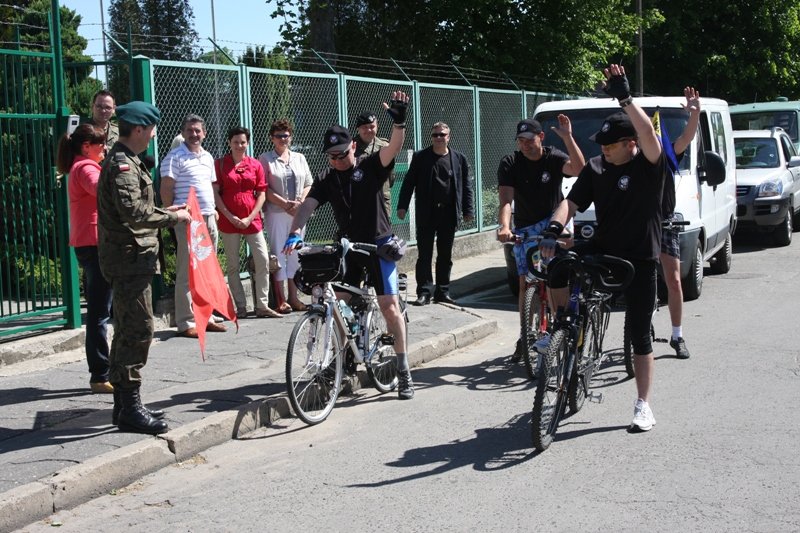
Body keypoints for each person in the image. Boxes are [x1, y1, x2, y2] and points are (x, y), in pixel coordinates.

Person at [541, 64, 665, 432]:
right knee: (558, 267)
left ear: (631, 145)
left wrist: (625, 98)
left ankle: (643, 405)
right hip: (605, 250)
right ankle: (563, 327)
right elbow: (571, 203)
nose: (605, 151)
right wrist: (553, 228)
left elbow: (647, 132)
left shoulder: (648, 166)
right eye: (603, 146)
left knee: (639, 333)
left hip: (641, 258)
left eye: (611, 145)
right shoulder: (595, 168)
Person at [283, 90, 415, 400]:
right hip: (348, 249)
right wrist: (294, 232)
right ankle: (340, 364)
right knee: (337, 304)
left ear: (353, 146)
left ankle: (404, 368)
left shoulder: (370, 166)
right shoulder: (328, 178)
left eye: (343, 154)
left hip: (379, 246)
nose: (339, 160)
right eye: (333, 156)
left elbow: (393, 148)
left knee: (389, 306)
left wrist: (399, 123)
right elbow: (307, 206)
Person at [96, 101, 191, 434]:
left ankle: (125, 406)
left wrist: (167, 208)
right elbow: (134, 213)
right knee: (138, 330)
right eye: (150, 129)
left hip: (131, 258)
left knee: (127, 329)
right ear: (138, 129)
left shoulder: (129, 161)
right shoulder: (122, 164)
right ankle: (130, 407)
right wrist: (173, 216)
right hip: (128, 260)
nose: (152, 134)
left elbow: (139, 207)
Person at [496, 116, 585, 356]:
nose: (525, 144)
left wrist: (567, 137)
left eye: (529, 139)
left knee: (556, 276)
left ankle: (561, 329)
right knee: (526, 283)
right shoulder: (510, 163)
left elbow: (578, 169)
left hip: (553, 224)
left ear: (541, 138)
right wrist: (505, 227)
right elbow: (506, 201)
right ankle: (526, 335)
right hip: (525, 227)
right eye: (521, 140)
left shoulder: (553, 156)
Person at [57, 124, 113, 394]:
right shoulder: (86, 168)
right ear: (85, 146)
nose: (104, 148)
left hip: (90, 241)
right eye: (99, 144)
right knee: (100, 312)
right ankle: (100, 374)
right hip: (94, 242)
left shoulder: (79, 165)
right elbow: (102, 188)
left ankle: (103, 370)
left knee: (101, 309)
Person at [160, 114, 227, 338]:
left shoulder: (208, 157)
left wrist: (214, 211)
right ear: (183, 133)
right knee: (187, 270)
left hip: (208, 217)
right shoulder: (174, 157)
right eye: (190, 130)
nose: (194, 134)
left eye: (198, 130)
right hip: (188, 219)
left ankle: (206, 316)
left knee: (207, 270)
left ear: (204, 133)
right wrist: (173, 214)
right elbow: (166, 188)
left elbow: (209, 187)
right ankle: (186, 321)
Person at [397, 122, 474, 305]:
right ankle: (424, 292)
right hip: (427, 212)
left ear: (449, 136)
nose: (439, 138)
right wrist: (402, 206)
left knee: (445, 255)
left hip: (448, 213)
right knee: (425, 255)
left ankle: (443, 291)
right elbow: (408, 183)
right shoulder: (421, 157)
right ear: (431, 137)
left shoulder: (459, 159)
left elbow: (466, 186)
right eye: (435, 135)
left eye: (442, 134)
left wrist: (468, 210)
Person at [214, 126, 281, 319]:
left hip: (252, 219)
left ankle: (262, 305)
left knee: (263, 259)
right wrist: (228, 215)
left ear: (247, 143)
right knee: (233, 264)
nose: (239, 145)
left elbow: (261, 193)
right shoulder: (220, 165)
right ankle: (241, 307)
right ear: (229, 143)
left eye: (243, 142)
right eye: (235, 142)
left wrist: (250, 217)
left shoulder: (255, 164)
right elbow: (216, 193)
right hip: (229, 220)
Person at [661, 87, 701, 360]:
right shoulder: (627, 159)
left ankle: (677, 335)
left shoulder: (667, 156)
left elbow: (686, 137)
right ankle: (636, 330)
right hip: (637, 227)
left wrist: (694, 113)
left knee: (674, 281)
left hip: (664, 224)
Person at [259, 119, 314, 313]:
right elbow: (263, 187)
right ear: (271, 138)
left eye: (286, 135)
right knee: (279, 253)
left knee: (295, 254)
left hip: (298, 213)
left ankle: (294, 297)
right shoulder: (265, 159)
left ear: (291, 136)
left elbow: (309, 182)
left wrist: (299, 203)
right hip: (276, 213)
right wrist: (284, 204)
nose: (283, 138)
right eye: (279, 135)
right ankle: (280, 299)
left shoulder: (299, 157)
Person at [354, 111, 394, 216]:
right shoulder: (350, 148)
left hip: (381, 203)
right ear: (358, 128)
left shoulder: (385, 146)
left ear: (377, 126)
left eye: (372, 126)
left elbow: (391, 177)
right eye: (364, 127)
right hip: (359, 202)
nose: (368, 130)